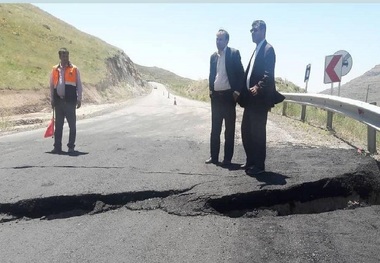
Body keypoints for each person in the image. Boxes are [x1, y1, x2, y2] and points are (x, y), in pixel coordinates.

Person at [239, 20, 285, 175]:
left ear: (263, 31)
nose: (252, 32)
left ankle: (259, 165)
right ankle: (250, 160)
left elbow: (268, 74)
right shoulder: (257, 49)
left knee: (258, 132)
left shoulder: (268, 49)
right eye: (251, 30)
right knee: (246, 130)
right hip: (250, 100)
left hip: (259, 100)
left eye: (255, 30)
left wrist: (258, 86)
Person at [206, 29, 245, 166]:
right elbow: (212, 75)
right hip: (216, 97)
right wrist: (211, 89)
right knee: (215, 129)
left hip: (229, 97)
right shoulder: (213, 56)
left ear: (227, 41)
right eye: (217, 39)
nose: (218, 42)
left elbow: (241, 74)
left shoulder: (233, 54)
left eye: (221, 39)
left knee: (229, 129)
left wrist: (237, 92)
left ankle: (227, 159)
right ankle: (214, 157)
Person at [50, 47, 83, 154]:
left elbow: (79, 85)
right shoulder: (55, 69)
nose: (65, 58)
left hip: (70, 101)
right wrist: (52, 99)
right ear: (59, 56)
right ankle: (57, 147)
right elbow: (51, 85)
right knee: (58, 126)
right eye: (63, 56)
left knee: (72, 126)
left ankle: (71, 147)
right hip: (58, 101)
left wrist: (79, 99)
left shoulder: (74, 69)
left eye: (67, 55)